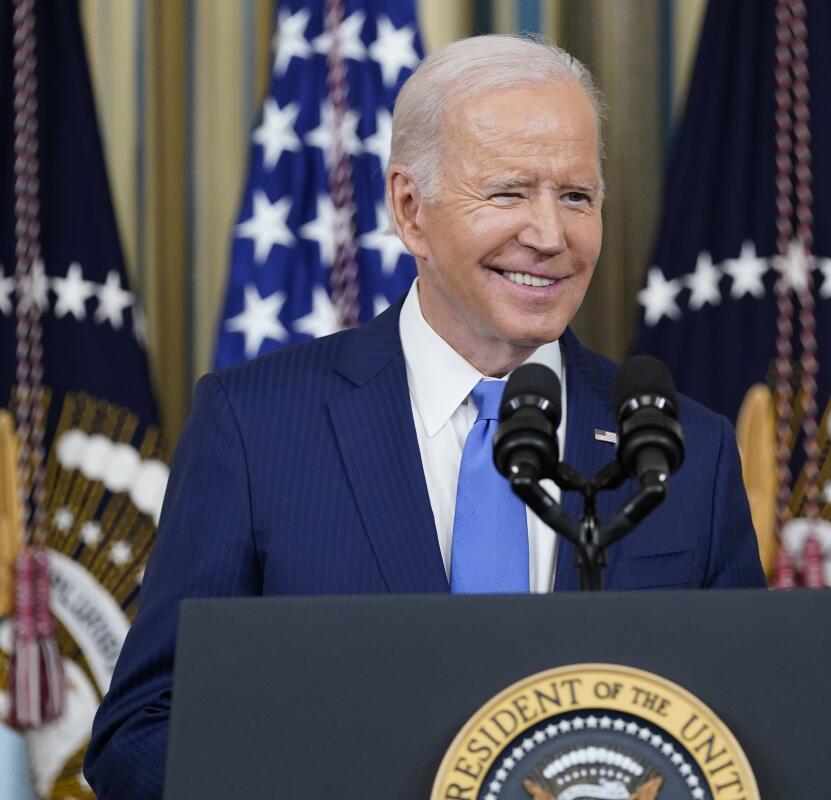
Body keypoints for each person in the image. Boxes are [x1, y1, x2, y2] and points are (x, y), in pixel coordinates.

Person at [83, 34, 764, 799]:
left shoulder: (683, 449)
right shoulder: (255, 428)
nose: (549, 235)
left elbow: (745, 731)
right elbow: (142, 729)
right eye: (508, 193)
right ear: (411, 210)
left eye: (576, 196)